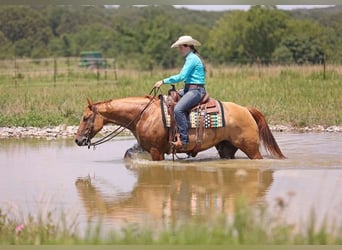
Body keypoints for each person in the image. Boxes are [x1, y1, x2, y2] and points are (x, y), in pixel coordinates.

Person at [154, 35, 206, 149]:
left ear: (186, 46)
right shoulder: (191, 57)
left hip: (196, 90)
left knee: (178, 109)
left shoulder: (192, 59)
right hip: (189, 89)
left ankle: (184, 140)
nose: (179, 49)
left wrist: (163, 81)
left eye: (180, 47)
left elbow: (181, 76)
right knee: (168, 100)